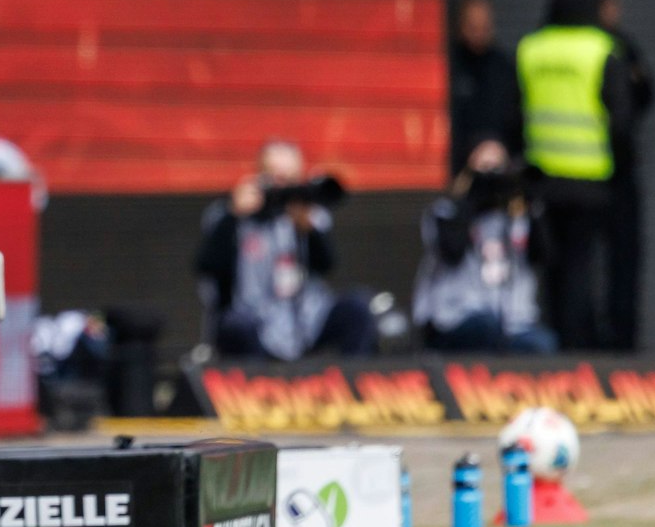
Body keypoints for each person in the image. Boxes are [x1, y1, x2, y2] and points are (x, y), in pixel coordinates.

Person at [507, 0, 632, 350]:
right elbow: (622, 120)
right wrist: (621, 168)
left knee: (550, 267)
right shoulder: (600, 49)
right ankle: (579, 349)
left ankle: (555, 345)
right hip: (589, 180)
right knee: (580, 268)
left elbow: (513, 116)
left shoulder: (531, 49)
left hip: (541, 180)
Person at [195, 140, 374, 361]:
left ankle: (351, 388)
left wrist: (307, 229)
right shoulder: (228, 215)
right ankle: (253, 390)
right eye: (276, 177)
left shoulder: (308, 215)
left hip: (306, 319)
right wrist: (234, 216)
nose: (283, 187)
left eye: (290, 179)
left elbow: (327, 265)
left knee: (357, 309)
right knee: (236, 326)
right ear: (259, 175)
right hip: (253, 320)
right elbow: (206, 266)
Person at [414, 140, 556, 353]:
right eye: (484, 168)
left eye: (498, 169)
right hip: (455, 319)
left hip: (512, 324)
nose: (492, 177)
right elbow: (452, 252)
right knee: (486, 327)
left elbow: (545, 256)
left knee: (543, 344)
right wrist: (471, 202)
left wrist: (531, 201)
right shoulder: (446, 212)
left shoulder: (516, 217)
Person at [594, 0, 652, 352]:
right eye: (612, 5)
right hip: (586, 175)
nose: (617, 12)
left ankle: (623, 344)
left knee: (625, 262)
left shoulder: (625, 45)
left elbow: (648, 91)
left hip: (620, 172)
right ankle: (585, 345)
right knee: (582, 268)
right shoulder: (588, 49)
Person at [448, 0, 514, 173]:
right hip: (460, 168)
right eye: (473, 26)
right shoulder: (449, 66)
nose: (479, 33)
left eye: (485, 26)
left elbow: (514, 116)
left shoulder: (504, 66)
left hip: (500, 162)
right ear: (460, 26)